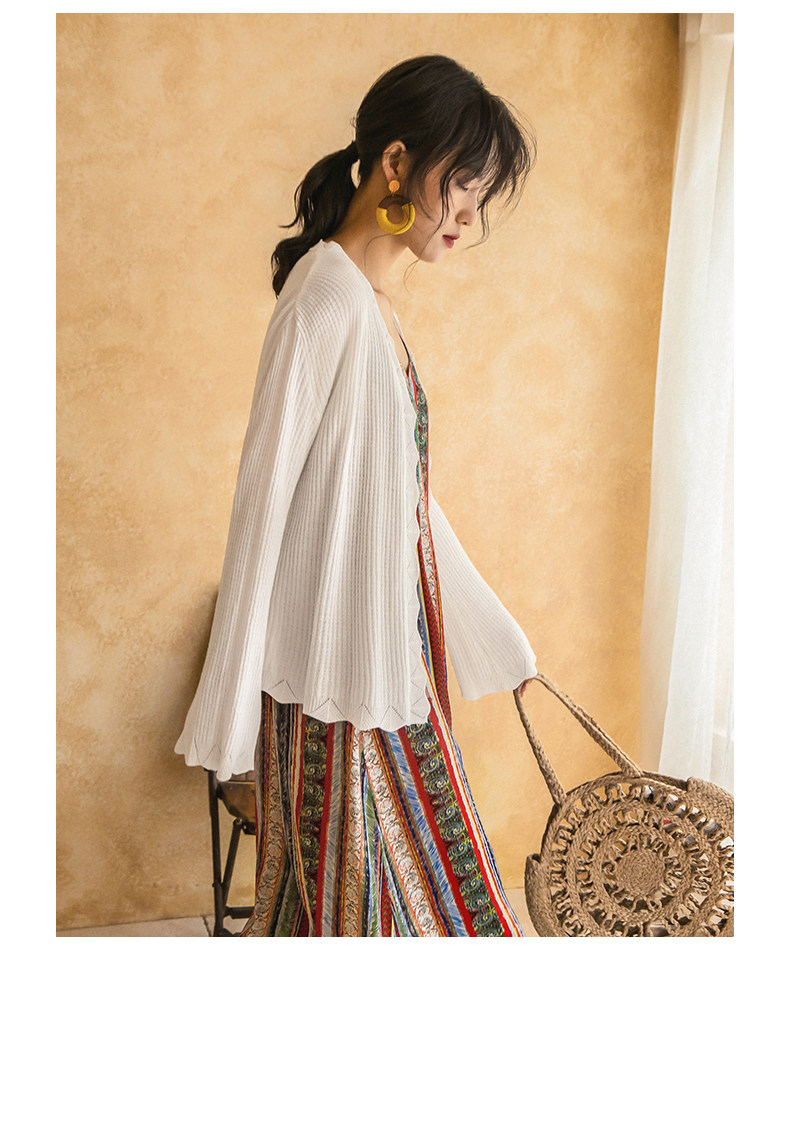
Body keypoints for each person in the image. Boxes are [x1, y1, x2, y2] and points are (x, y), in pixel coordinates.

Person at [176, 54, 539, 936]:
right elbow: (261, 504)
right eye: (465, 184)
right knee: (364, 915)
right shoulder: (325, 299)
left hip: (386, 660)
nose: (470, 216)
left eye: (482, 195)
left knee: (398, 907)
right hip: (329, 679)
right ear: (397, 164)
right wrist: (231, 712)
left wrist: (496, 634)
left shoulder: (373, 306)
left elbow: (404, 500)